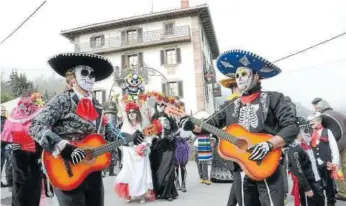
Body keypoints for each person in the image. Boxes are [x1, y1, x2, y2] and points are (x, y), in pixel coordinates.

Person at [180, 49, 299, 206]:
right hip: (241, 169)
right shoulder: (230, 105)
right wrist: (191, 125)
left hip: (268, 166)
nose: (239, 79)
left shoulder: (274, 99)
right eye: (236, 76)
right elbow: (209, 124)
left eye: (244, 74)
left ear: (256, 76)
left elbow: (291, 127)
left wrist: (269, 144)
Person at [29, 53, 132, 206]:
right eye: (84, 73)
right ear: (72, 79)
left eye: (92, 74)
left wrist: (128, 137)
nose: (90, 77)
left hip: (92, 171)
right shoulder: (61, 100)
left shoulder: (97, 105)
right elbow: (36, 126)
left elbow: (104, 134)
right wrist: (64, 148)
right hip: (65, 168)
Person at [1, 93, 45, 206]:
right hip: (19, 155)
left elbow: (43, 135)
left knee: (33, 186)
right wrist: (12, 145)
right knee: (20, 187)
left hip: (35, 156)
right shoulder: (14, 115)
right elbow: (8, 134)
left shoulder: (39, 115)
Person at [114, 102, 155, 204]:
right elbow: (121, 140)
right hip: (129, 154)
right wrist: (125, 148)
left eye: (133, 112)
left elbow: (148, 138)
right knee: (129, 173)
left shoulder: (142, 125)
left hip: (141, 154)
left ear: (137, 113)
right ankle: (128, 194)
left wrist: (145, 146)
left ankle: (141, 195)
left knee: (141, 174)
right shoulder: (124, 126)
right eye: (129, 112)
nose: (131, 114)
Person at [312, 98, 346, 201]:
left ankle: (343, 192)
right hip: (345, 145)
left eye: (316, 109)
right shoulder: (340, 114)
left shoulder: (324, 117)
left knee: (337, 169)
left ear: (319, 108)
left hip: (335, 147)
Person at [149, 94, 179, 201]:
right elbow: (148, 131)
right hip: (156, 146)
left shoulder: (170, 118)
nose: (161, 106)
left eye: (163, 105)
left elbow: (176, 130)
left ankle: (168, 193)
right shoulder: (153, 118)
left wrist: (172, 136)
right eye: (159, 104)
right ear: (156, 106)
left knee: (169, 169)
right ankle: (157, 191)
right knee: (157, 169)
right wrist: (153, 136)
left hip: (168, 146)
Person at [308, 112, 340, 206]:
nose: (310, 123)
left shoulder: (327, 131)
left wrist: (335, 163)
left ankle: (331, 202)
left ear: (319, 121)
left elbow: (334, 148)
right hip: (315, 165)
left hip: (327, 164)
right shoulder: (309, 133)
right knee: (318, 186)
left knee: (329, 186)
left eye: (312, 121)